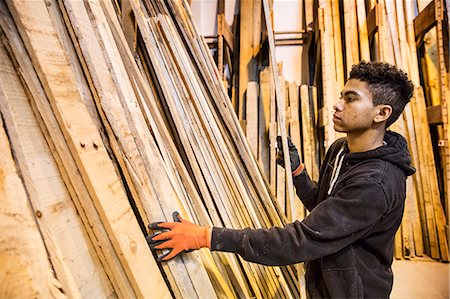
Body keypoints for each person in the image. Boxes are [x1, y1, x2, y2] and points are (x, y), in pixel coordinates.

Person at [148, 61, 416, 298]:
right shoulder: (341, 150)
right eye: (341, 96)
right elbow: (325, 209)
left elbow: (301, 240)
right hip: (327, 278)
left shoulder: (376, 182)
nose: (337, 104)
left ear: (381, 113)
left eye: (351, 98)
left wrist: (206, 237)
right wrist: (297, 171)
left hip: (352, 290)